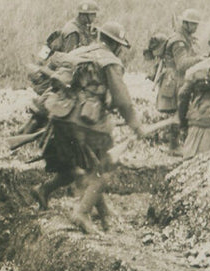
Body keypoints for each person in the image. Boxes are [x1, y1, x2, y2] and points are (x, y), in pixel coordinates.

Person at [32, 20, 150, 233]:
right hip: (85, 120)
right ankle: (82, 213)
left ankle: (44, 190)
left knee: (79, 166)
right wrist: (136, 125)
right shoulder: (110, 61)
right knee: (103, 169)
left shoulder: (80, 52)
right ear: (116, 45)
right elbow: (122, 99)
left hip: (60, 115)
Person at [153, 9, 202, 152]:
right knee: (178, 112)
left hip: (178, 79)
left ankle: (180, 144)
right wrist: (199, 59)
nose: (196, 27)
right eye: (193, 24)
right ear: (186, 24)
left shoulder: (186, 38)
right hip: (174, 80)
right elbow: (181, 64)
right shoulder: (178, 41)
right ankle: (174, 146)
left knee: (181, 111)